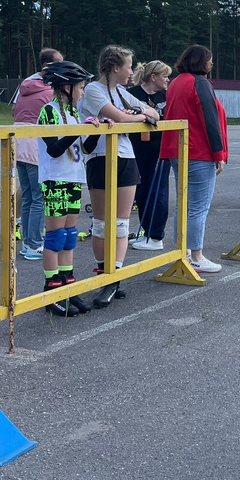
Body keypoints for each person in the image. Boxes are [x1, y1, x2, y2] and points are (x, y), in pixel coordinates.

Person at [79, 45, 158, 308]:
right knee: (102, 224)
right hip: (100, 159)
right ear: (115, 67)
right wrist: (138, 117)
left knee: (121, 223)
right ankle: (105, 275)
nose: (131, 72)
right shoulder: (93, 90)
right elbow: (120, 118)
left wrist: (137, 114)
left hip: (126, 159)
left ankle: (115, 279)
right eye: (128, 66)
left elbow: (155, 113)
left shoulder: (122, 92)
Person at [37, 61, 103, 317]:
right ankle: (51, 289)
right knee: (54, 237)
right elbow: (54, 148)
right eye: (81, 87)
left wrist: (94, 129)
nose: (83, 91)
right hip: (55, 180)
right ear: (66, 87)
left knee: (69, 235)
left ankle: (67, 284)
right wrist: (78, 130)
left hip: (74, 178)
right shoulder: (48, 112)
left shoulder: (75, 113)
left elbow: (85, 148)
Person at [159, 44, 228, 274]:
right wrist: (219, 154)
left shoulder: (177, 82)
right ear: (202, 62)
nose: (211, 64)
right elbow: (210, 120)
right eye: (209, 60)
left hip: (177, 150)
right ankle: (196, 255)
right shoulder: (200, 84)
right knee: (198, 207)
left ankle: (183, 252)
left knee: (184, 204)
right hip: (198, 151)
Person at [13, 48, 61, 260]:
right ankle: (34, 244)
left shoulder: (25, 86)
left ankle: (27, 242)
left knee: (28, 197)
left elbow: (14, 111)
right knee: (39, 198)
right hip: (35, 147)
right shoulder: (49, 92)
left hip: (19, 145)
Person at [129, 60, 171, 251]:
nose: (167, 80)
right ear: (153, 77)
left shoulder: (167, 96)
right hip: (136, 149)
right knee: (141, 191)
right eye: (164, 76)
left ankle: (156, 235)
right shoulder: (132, 94)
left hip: (160, 150)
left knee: (158, 191)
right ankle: (145, 231)